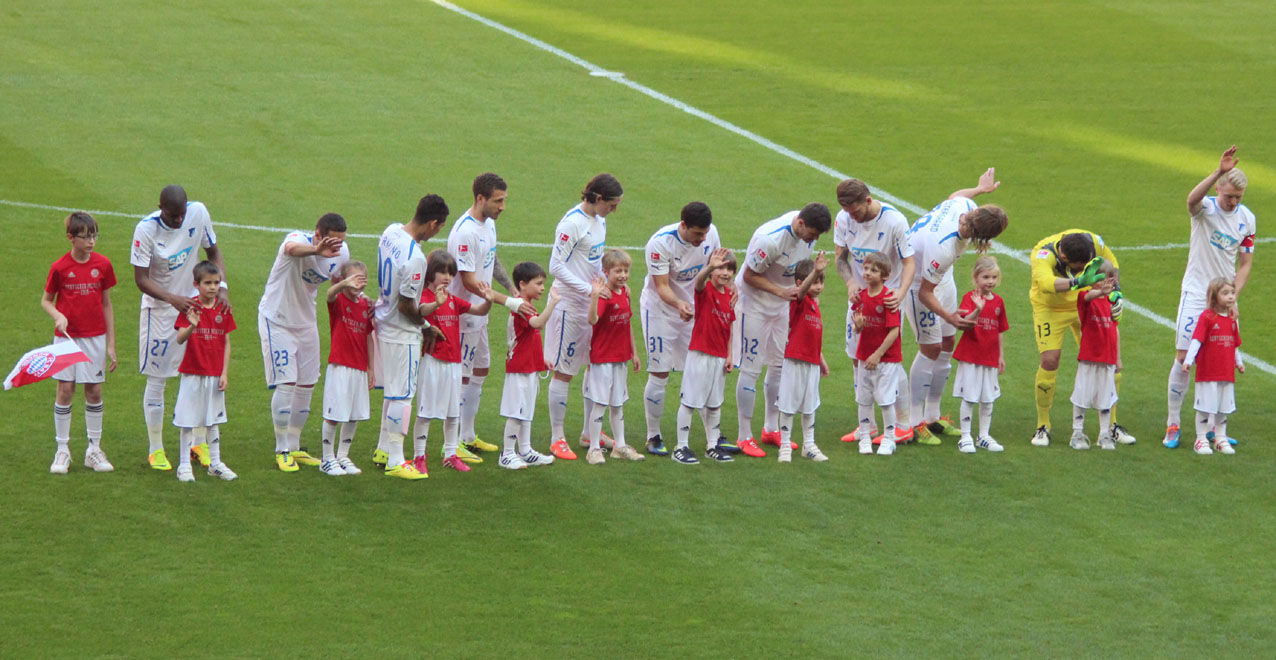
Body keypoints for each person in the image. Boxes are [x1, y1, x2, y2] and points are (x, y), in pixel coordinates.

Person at [903, 169, 1006, 446]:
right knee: (931, 347)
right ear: (982, 237)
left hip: (940, 277)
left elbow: (956, 196)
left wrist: (979, 190)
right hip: (915, 282)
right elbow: (925, 293)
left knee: (948, 341)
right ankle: (913, 423)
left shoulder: (966, 207)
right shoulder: (944, 247)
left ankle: (933, 416)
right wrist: (948, 315)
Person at [131, 185, 229, 471]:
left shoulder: (198, 213)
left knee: (200, 374)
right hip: (160, 311)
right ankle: (156, 449)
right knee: (158, 378)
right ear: (161, 208)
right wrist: (173, 298)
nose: (178, 221)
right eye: (173, 216)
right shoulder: (146, 230)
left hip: (195, 309)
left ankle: (198, 443)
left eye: (181, 215)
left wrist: (221, 287)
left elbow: (213, 252)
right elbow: (140, 278)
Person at [1165, 146, 1255, 449]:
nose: (1232, 202)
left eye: (1237, 198)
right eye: (1228, 195)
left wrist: (1231, 296)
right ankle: (1173, 423)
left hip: (1225, 298)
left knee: (1223, 360)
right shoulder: (1205, 209)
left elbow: (1245, 264)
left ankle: (1216, 429)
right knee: (1183, 358)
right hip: (1195, 293)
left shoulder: (1247, 220)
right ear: (1219, 188)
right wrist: (1218, 170)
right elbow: (1190, 200)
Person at [733, 202, 832, 458]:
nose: (814, 240)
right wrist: (780, 291)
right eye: (812, 234)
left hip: (783, 306)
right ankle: (744, 436)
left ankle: (771, 428)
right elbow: (748, 276)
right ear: (800, 223)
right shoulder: (771, 239)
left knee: (779, 366)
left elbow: (798, 270)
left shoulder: (805, 236)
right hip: (753, 305)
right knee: (751, 368)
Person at [448, 173, 537, 456]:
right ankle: (452, 443)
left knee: (480, 369)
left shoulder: (487, 225)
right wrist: (511, 302)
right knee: (461, 377)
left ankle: (468, 434)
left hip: (480, 316)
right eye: (498, 201)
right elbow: (469, 280)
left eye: (504, 200)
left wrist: (512, 288)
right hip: (463, 315)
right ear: (480, 199)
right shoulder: (465, 232)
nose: (502, 207)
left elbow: (491, 258)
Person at [258, 212, 349, 472]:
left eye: (341, 242)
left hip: (305, 322)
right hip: (277, 320)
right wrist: (315, 250)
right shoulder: (297, 241)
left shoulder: (341, 252)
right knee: (286, 383)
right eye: (332, 242)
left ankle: (295, 445)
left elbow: (336, 279)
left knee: (307, 384)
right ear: (318, 234)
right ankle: (281, 449)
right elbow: (291, 249)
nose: (337, 247)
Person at [1026, 229, 1132, 447]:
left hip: (1087, 302)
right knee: (1050, 360)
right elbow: (1048, 285)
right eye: (1080, 266)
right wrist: (1079, 281)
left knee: (1107, 356)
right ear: (1064, 258)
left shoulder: (1091, 241)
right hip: (1051, 308)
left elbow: (1110, 260)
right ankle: (1043, 425)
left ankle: (1111, 425)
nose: (1085, 269)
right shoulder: (1041, 255)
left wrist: (1116, 292)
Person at [544, 174, 624, 461]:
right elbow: (555, 266)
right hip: (570, 307)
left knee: (595, 366)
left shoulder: (600, 221)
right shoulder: (571, 224)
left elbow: (593, 262)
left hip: (593, 305)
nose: (613, 211)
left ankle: (590, 432)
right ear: (597, 198)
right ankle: (557, 437)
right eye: (611, 205)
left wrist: (606, 285)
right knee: (564, 371)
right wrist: (588, 289)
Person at [831, 179, 916, 446]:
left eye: (854, 211)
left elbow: (909, 262)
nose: (850, 216)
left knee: (889, 361)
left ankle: (903, 425)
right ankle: (866, 425)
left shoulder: (895, 222)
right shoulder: (844, 219)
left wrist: (899, 295)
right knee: (857, 359)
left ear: (868, 201)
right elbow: (840, 258)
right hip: (859, 300)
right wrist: (850, 282)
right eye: (845, 210)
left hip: (887, 300)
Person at [372, 194, 450, 480]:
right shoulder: (416, 258)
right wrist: (426, 325)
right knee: (402, 395)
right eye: (439, 227)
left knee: (393, 391)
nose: (437, 232)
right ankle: (395, 459)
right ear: (432, 223)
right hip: (400, 329)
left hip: (382, 320)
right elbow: (407, 305)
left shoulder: (391, 231)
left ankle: (383, 449)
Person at [639, 202, 722, 456]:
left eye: (705, 233)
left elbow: (715, 269)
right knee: (659, 373)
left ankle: (713, 437)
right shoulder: (660, 244)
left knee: (701, 368)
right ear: (683, 225)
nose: (703, 239)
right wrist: (679, 303)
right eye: (698, 234)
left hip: (692, 310)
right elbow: (662, 286)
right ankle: (653, 435)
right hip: (660, 312)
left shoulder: (711, 234)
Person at [43, 212, 117, 474]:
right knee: (65, 389)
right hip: (66, 340)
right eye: (86, 237)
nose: (91, 241)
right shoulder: (60, 267)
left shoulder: (104, 265)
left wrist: (111, 345)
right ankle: (62, 450)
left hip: (95, 338)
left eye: (94, 235)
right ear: (71, 238)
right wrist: (59, 316)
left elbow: (106, 304)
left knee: (94, 391)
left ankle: (93, 449)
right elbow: (46, 300)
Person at [412, 250, 493, 474]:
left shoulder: (452, 299)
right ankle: (419, 456)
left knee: (452, 413)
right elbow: (420, 312)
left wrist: (488, 301)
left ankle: (450, 454)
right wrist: (436, 304)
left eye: (450, 273)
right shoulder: (427, 297)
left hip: (454, 363)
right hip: (432, 361)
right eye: (442, 272)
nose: (447, 277)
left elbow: (477, 310)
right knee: (426, 411)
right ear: (430, 274)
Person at [172, 261, 236, 482]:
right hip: (192, 371)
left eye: (216, 283)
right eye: (207, 283)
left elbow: (227, 342)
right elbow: (179, 339)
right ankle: (183, 464)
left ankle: (216, 463)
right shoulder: (190, 308)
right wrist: (191, 325)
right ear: (196, 284)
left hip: (214, 373)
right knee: (188, 420)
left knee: (213, 420)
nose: (212, 287)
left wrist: (224, 373)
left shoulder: (223, 309)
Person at [673, 248, 736, 465]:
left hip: (719, 358)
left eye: (729, 269)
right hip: (700, 353)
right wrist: (709, 266)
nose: (725, 273)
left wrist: (729, 355)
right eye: (720, 268)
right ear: (711, 271)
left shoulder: (729, 296)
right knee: (690, 402)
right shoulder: (705, 290)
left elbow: (729, 326)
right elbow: (698, 282)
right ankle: (680, 447)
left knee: (715, 404)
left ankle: (712, 446)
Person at [584, 249, 644, 465]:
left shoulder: (624, 293)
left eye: (626, 271)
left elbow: (627, 324)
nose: (623, 275)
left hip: (621, 357)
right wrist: (593, 297)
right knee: (600, 403)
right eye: (618, 271)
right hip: (602, 357)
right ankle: (593, 448)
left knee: (617, 403)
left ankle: (619, 445)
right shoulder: (604, 295)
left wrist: (634, 353)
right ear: (606, 272)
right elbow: (592, 320)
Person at [499, 262, 561, 469]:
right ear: (523, 284)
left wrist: (540, 359)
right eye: (539, 284)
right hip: (519, 368)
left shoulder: (527, 304)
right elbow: (537, 324)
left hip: (530, 366)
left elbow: (528, 337)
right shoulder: (521, 305)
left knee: (526, 412)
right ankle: (507, 453)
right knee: (517, 412)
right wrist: (552, 304)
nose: (543, 288)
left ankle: (525, 450)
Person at [318, 261, 376, 476]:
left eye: (361, 278)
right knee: (334, 414)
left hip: (359, 367)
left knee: (354, 415)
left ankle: (343, 455)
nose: (357, 283)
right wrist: (344, 284)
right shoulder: (339, 300)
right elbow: (329, 295)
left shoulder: (366, 306)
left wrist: (371, 368)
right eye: (353, 278)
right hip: (340, 365)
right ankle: (326, 458)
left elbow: (369, 337)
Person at [776, 254, 831, 463]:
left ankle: (809, 445)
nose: (818, 286)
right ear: (801, 283)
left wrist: (821, 359)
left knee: (810, 405)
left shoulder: (815, 305)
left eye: (821, 281)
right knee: (788, 404)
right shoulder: (798, 301)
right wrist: (815, 271)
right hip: (795, 359)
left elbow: (813, 336)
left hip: (811, 362)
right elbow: (800, 293)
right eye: (815, 281)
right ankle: (785, 445)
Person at [951, 256, 1008, 453]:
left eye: (993, 277)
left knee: (988, 398)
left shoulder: (999, 301)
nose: (990, 281)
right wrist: (977, 309)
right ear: (976, 278)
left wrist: (1000, 356)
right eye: (986, 277)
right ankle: (965, 436)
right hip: (971, 356)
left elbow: (1000, 330)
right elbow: (966, 323)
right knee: (969, 397)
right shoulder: (970, 297)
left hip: (990, 357)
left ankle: (984, 435)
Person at [1181, 278, 1244, 455]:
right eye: (1225, 293)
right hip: (1208, 372)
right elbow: (1197, 340)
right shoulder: (1207, 317)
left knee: (1223, 407)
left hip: (1226, 372)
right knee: (1205, 407)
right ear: (1214, 297)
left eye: (1232, 293)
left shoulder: (1232, 320)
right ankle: (1200, 439)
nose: (1231, 297)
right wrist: (1189, 360)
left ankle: (1220, 438)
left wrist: (1238, 363)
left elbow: (1234, 344)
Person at [852, 253, 904, 456]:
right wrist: (858, 328)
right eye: (866, 268)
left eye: (873, 270)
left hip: (886, 359)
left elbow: (894, 331)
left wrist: (878, 354)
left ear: (885, 275)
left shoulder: (889, 299)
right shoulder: (862, 298)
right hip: (865, 357)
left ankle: (889, 438)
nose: (867, 273)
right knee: (864, 399)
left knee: (885, 399)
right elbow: (858, 328)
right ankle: (865, 436)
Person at [1068, 262, 1120, 451]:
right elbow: (1089, 296)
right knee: (1082, 395)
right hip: (1089, 356)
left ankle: (1104, 433)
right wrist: (1100, 292)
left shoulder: (1113, 302)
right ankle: (1077, 432)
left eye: (1109, 279)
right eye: (1101, 279)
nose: (1105, 283)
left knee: (1106, 398)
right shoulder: (1085, 296)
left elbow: (1115, 330)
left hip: (1107, 358)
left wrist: (1118, 358)